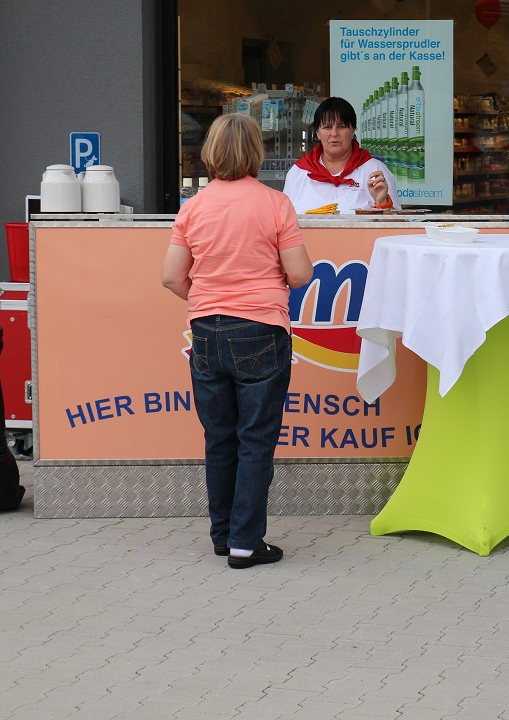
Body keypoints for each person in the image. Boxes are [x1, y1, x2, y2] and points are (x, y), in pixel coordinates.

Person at [162, 113, 313, 569]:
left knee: (219, 439)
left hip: (206, 331)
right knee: (255, 439)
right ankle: (248, 542)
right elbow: (301, 273)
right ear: (256, 151)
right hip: (261, 330)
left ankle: (224, 536)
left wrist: (207, 299)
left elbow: (171, 277)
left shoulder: (193, 207)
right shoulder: (275, 204)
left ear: (210, 152)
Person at [283, 97, 398, 214]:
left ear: (353, 131)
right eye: (327, 127)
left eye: (341, 126)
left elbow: (397, 226)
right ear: (317, 132)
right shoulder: (298, 173)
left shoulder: (375, 171)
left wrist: (383, 203)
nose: (334, 133)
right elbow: (284, 223)